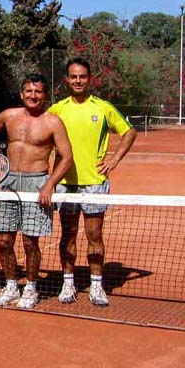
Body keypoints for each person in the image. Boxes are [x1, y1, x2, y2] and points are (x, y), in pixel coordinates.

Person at [49, 57, 137, 307]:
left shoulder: (103, 107)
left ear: (90, 79)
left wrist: (114, 160)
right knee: (67, 235)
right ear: (67, 79)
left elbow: (130, 132)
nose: (78, 80)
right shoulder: (57, 109)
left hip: (95, 182)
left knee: (94, 235)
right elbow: (41, 135)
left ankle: (96, 285)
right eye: (73, 76)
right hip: (65, 183)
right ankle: (68, 283)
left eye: (82, 76)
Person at [0, 73, 74, 310]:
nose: (33, 96)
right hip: (9, 183)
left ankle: (31, 288)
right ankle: (11, 286)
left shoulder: (53, 122)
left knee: (30, 242)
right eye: (29, 91)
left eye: (38, 92)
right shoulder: (8, 115)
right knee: (4, 240)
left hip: (37, 184)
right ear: (21, 93)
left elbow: (67, 157)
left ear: (45, 95)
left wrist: (49, 184)